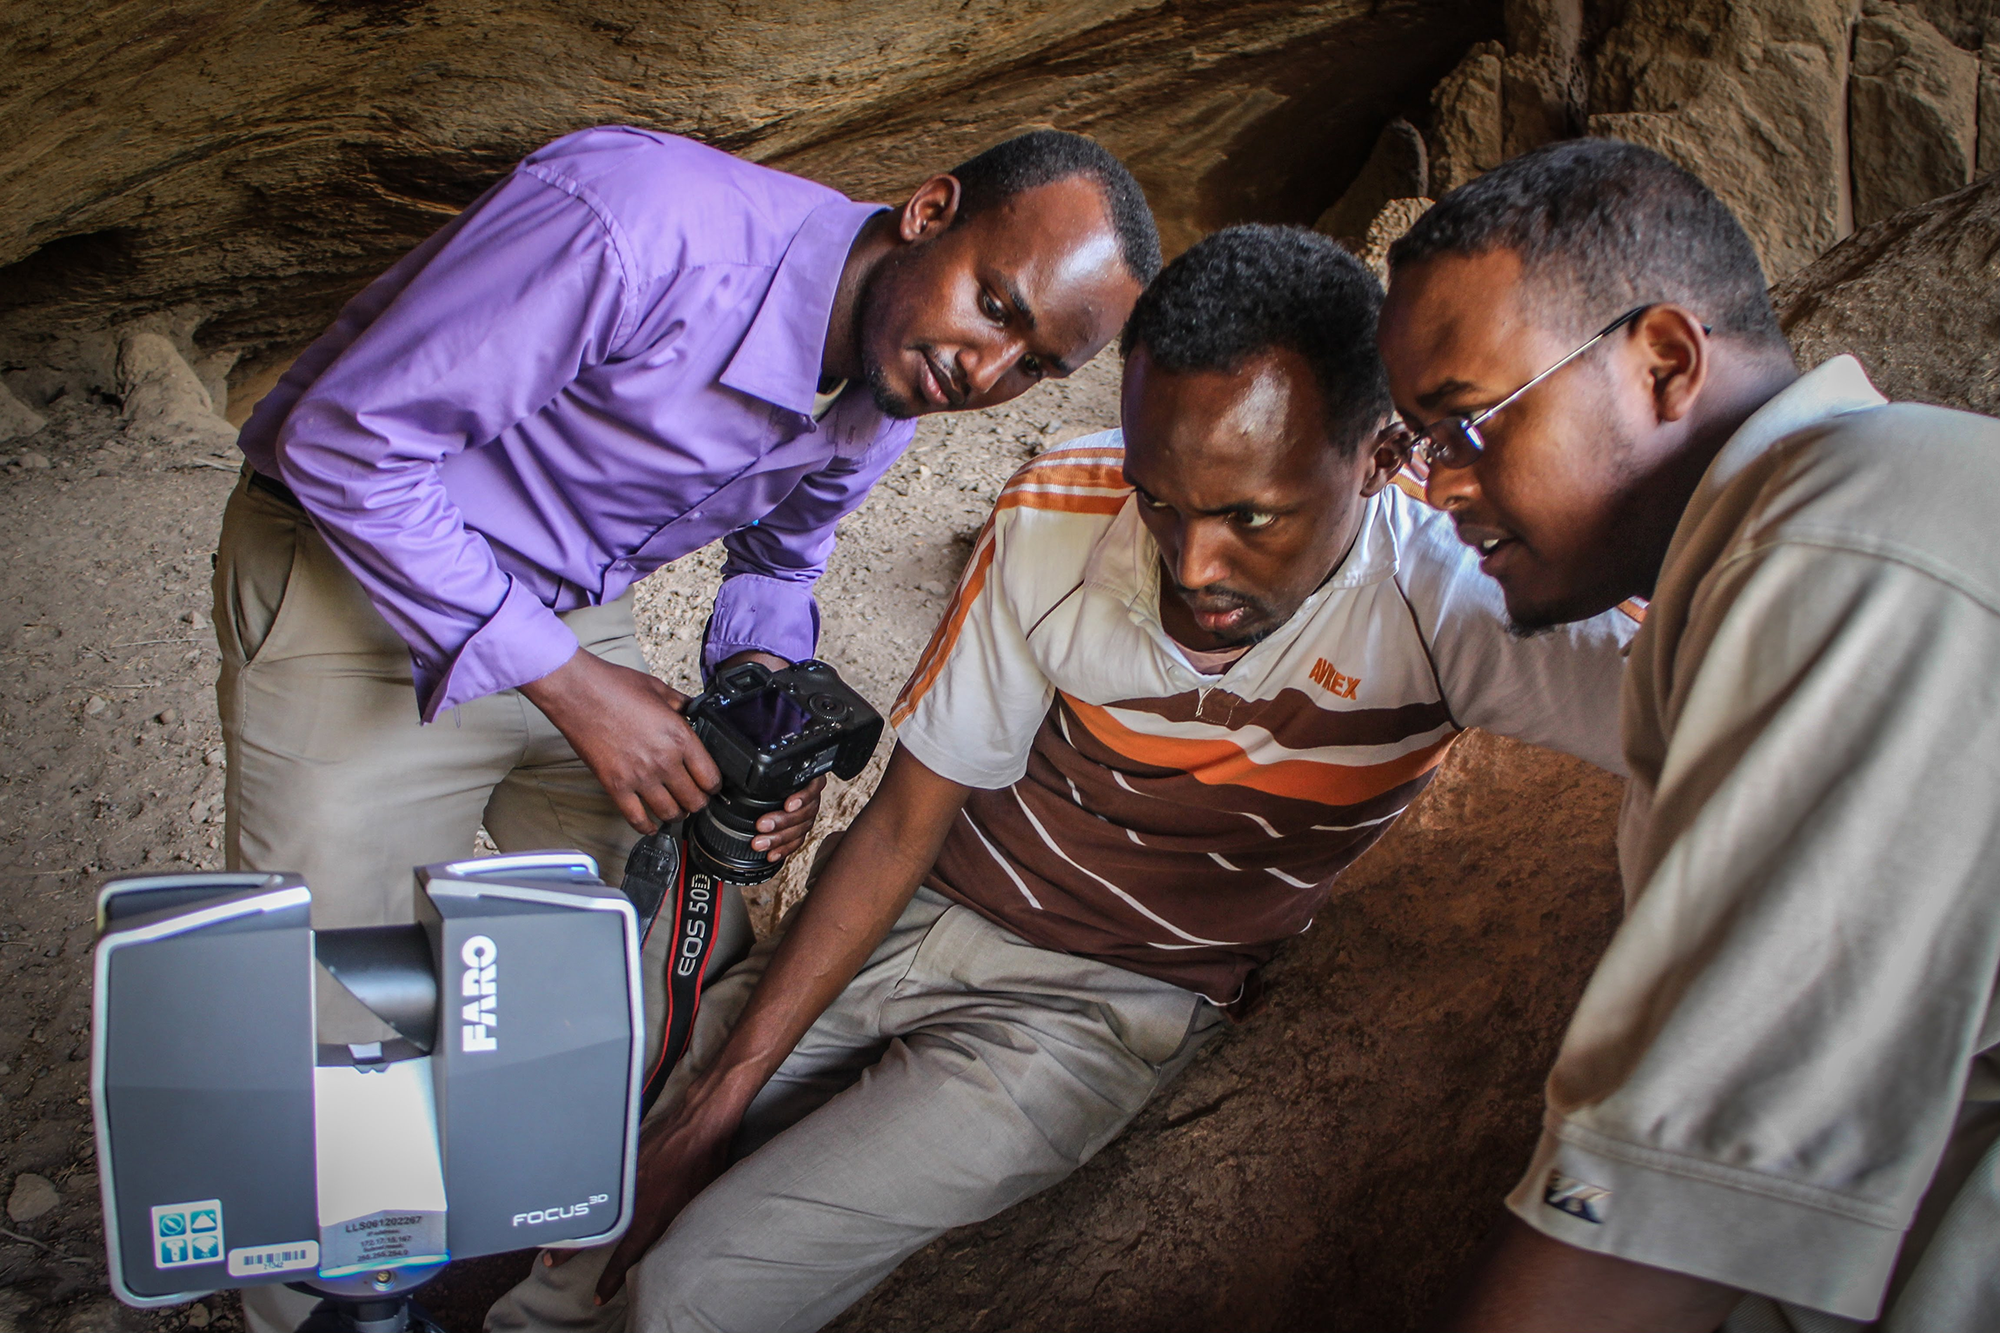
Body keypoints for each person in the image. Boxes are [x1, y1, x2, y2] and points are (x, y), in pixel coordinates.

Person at [487, 224, 1634, 1333]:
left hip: (1089, 1007)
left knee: (696, 1290)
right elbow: (902, 825)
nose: (1192, 566)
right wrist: (714, 1101)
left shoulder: (1456, 597)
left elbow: (1702, 703)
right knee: (599, 1193)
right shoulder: (1062, 507)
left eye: (1251, 516)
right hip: (917, 910)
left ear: (1379, 456)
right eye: (1160, 499)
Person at [217, 125, 1155, 1333]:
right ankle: (337, 1310)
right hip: (357, 575)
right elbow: (347, 445)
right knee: (342, 1007)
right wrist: (571, 683)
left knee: (683, 934)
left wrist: (760, 702)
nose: (986, 370)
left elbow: (779, 559)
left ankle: (555, 1283)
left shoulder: (891, 382)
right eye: (995, 306)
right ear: (929, 212)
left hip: (565, 602)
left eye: (1034, 364)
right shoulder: (635, 221)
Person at [1378, 137, 2000, 1332]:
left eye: (1466, 422)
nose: (1439, 485)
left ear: (1661, 361)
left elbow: (1662, 1216)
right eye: (1420, 442)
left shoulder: (1848, 547)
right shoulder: (1794, 540)